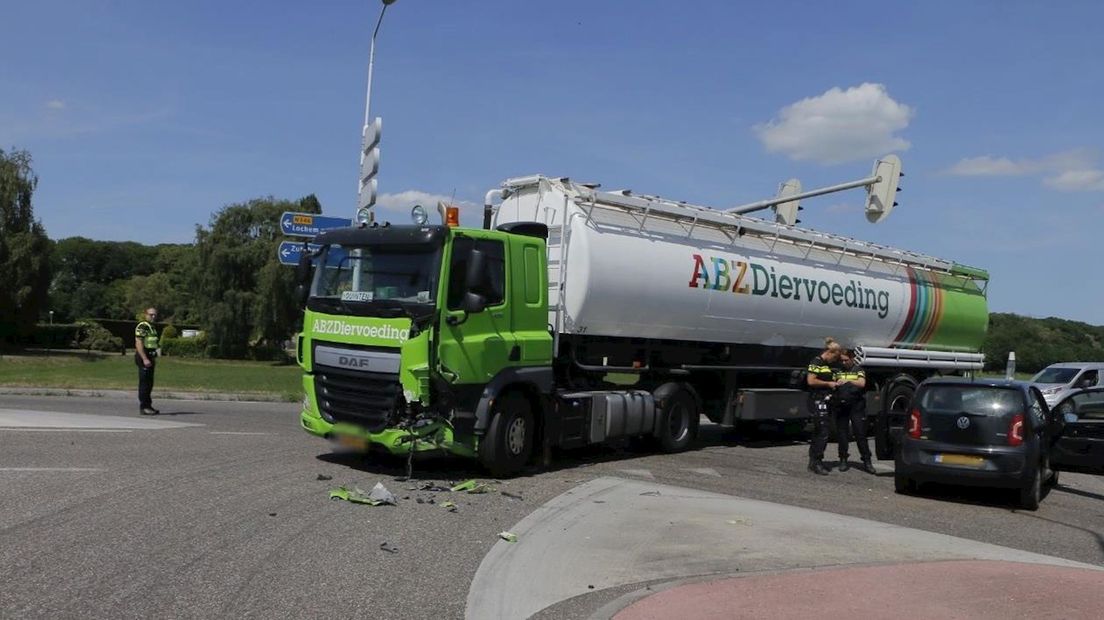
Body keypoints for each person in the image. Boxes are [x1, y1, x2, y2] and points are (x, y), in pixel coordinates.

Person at [833, 349, 876, 474]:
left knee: (860, 434)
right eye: (842, 360)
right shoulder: (838, 371)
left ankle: (867, 461)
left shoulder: (858, 370)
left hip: (856, 406)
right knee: (842, 434)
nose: (844, 362)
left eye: (846, 360)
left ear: (852, 359)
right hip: (841, 406)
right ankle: (843, 459)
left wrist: (849, 380)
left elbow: (862, 383)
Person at [806, 337, 842, 475]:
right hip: (817, 400)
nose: (835, 360)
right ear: (830, 352)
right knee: (823, 432)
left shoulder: (826, 365)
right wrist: (828, 384)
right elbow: (811, 380)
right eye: (835, 357)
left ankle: (813, 462)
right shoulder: (817, 362)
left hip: (825, 400)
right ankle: (817, 462)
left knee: (819, 432)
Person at [134, 307, 160, 415]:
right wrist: (144, 358)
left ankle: (148, 405)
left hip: (150, 356)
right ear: (145, 314)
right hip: (144, 356)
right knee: (144, 383)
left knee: (149, 383)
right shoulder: (143, 326)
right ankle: (144, 407)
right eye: (151, 314)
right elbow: (138, 342)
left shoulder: (151, 327)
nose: (153, 316)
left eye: (154, 315)